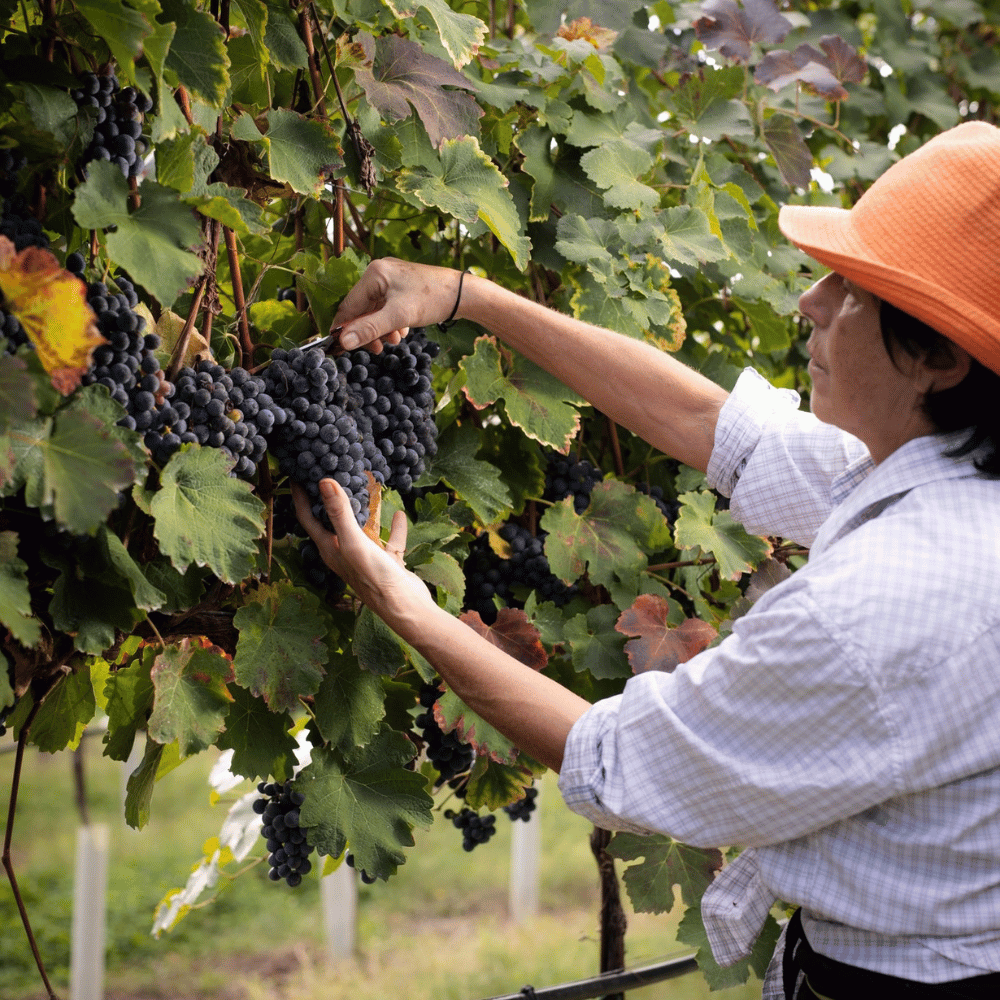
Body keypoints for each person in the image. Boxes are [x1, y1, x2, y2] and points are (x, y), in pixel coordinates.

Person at [294, 121, 1000, 998]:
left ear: (939, 357)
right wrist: (468, 296)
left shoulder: (877, 608)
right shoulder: (953, 478)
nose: (810, 301)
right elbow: (717, 428)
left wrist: (405, 606)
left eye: (852, 289)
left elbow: (616, 761)